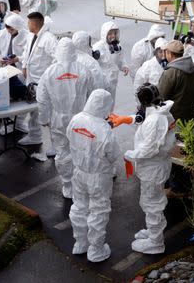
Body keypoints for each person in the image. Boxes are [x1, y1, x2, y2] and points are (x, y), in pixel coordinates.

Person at [66, 89, 120, 262]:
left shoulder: (76, 119)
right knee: (98, 210)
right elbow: (113, 155)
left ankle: (80, 243)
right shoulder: (104, 129)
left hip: (79, 172)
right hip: (98, 177)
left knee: (79, 207)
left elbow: (69, 139)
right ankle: (96, 250)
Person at [37, 38, 95, 198]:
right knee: (81, 150)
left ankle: (67, 184)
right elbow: (93, 95)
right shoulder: (84, 70)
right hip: (81, 118)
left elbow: (42, 99)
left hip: (58, 119)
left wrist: (44, 118)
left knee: (62, 151)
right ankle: (81, 185)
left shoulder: (49, 72)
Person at [120, 97, 177, 254]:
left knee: (152, 203)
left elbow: (149, 149)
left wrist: (130, 154)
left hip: (152, 169)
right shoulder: (163, 114)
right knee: (152, 201)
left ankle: (155, 242)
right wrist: (128, 119)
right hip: (157, 166)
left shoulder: (155, 120)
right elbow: (145, 124)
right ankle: (153, 229)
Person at [19, 11, 58, 145]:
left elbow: (57, 59)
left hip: (44, 83)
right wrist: (24, 66)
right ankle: (34, 136)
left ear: (34, 23)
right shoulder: (32, 36)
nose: (27, 24)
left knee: (50, 114)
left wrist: (48, 77)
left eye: (28, 22)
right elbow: (26, 53)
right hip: (32, 81)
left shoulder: (48, 39)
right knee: (34, 111)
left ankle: (56, 145)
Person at [156, 40, 194, 122]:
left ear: (170, 54)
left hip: (174, 119)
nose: (164, 55)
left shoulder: (170, 73)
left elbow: (161, 97)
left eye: (166, 52)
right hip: (191, 116)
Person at [0, 13, 29, 102]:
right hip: (5, 67)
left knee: (20, 96)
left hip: (19, 69)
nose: (9, 32)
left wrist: (18, 59)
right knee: (4, 92)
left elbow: (29, 55)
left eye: (12, 30)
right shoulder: (3, 33)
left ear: (18, 27)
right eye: (8, 29)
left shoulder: (27, 36)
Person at [92, 20, 130, 103]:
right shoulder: (98, 47)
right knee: (100, 103)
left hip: (113, 81)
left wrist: (124, 66)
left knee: (110, 103)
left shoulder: (117, 47)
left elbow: (120, 59)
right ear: (105, 34)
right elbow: (92, 65)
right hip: (101, 82)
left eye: (115, 33)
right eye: (110, 34)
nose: (113, 36)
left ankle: (110, 115)